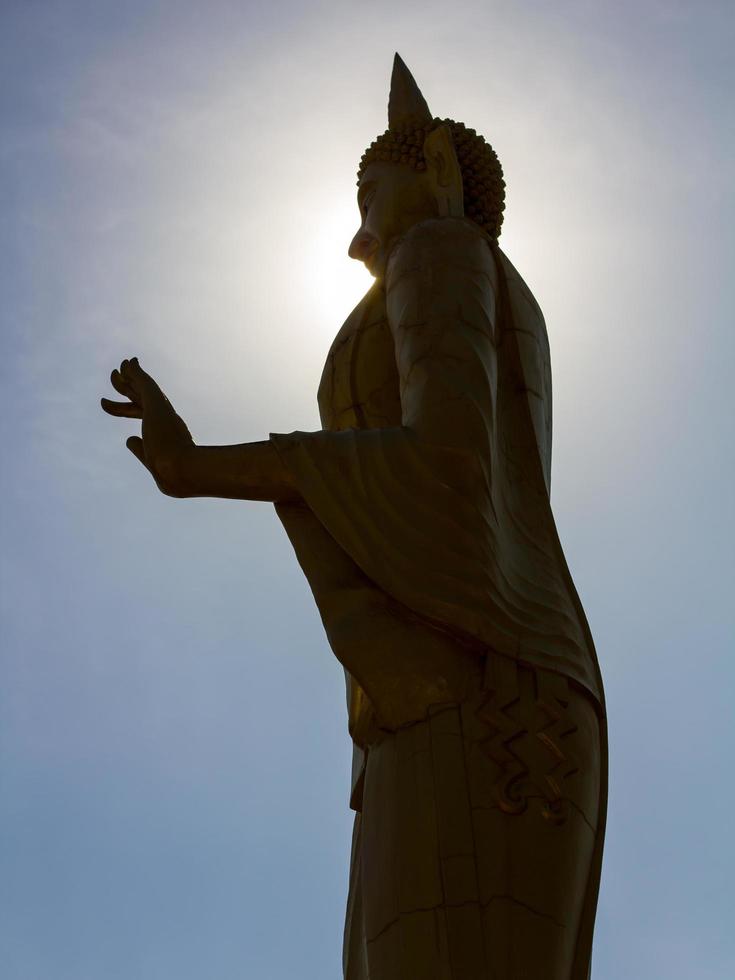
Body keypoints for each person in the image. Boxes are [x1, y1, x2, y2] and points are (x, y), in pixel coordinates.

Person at [102, 54, 607, 980]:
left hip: (479, 670)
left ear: (440, 174)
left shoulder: (443, 254)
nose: (356, 239)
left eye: (373, 194)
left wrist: (206, 466)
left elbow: (447, 470)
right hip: (452, 675)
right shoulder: (459, 280)